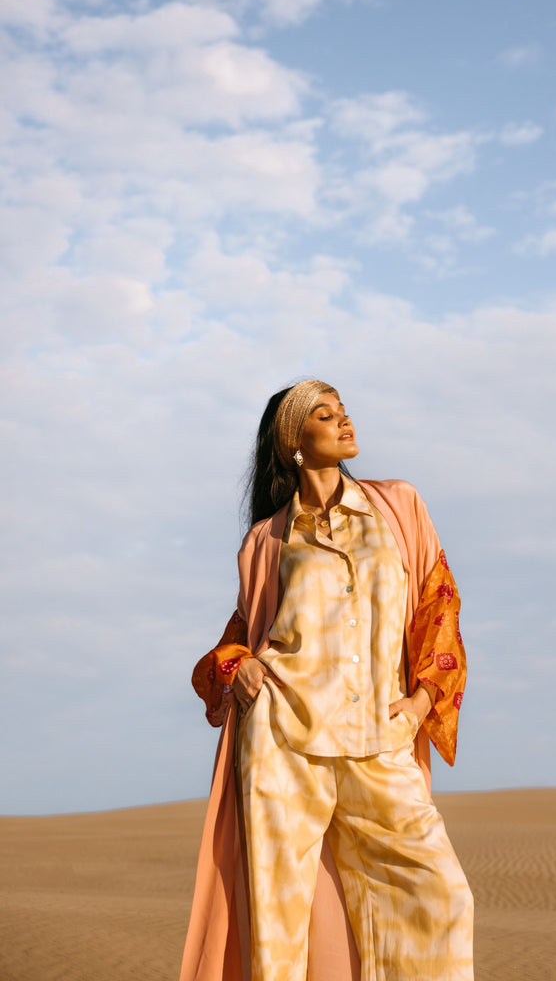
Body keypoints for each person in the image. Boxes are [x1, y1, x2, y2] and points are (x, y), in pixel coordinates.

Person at [180, 379, 474, 981]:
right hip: (284, 743)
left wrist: (421, 705)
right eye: (324, 413)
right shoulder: (266, 539)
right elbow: (245, 628)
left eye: (343, 410)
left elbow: (438, 604)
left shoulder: (399, 506)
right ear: (293, 440)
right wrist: (237, 666)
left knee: (442, 898)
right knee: (279, 926)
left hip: (381, 741)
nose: (345, 421)